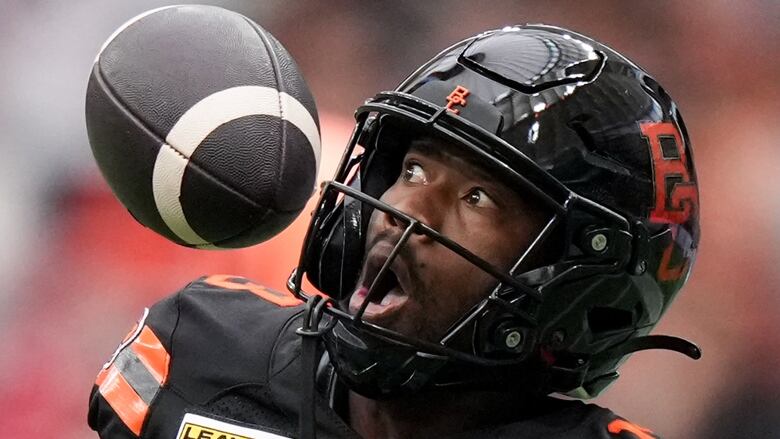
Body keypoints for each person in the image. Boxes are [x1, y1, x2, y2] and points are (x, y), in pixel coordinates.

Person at [88, 24, 700, 439]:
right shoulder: (203, 353)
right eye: (410, 168)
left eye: (476, 198)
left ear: (578, 290)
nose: (405, 210)